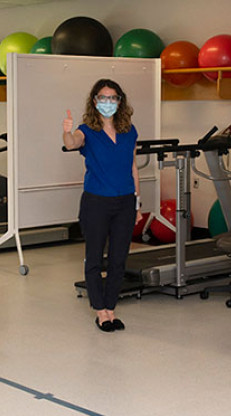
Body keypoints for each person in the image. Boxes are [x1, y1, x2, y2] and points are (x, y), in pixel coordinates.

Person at [62, 79, 141, 332]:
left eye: (113, 97)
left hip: (125, 200)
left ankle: (111, 307)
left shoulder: (129, 131)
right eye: (103, 97)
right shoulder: (87, 130)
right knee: (95, 257)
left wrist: (137, 202)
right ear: (95, 101)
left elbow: (133, 167)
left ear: (120, 101)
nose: (108, 102)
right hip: (96, 202)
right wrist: (67, 132)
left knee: (119, 259)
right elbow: (72, 143)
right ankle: (100, 311)